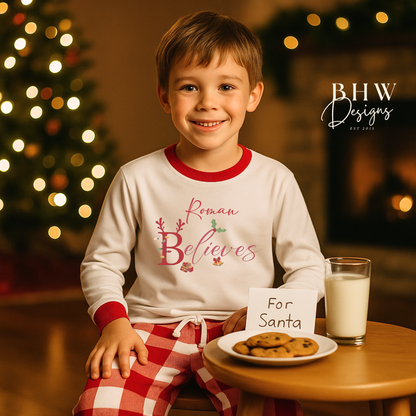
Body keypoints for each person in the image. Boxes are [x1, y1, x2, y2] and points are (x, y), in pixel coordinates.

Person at [73, 10, 324, 416]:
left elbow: (310, 268)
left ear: (253, 96)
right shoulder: (136, 178)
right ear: (164, 96)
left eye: (226, 86)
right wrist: (114, 323)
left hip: (240, 331)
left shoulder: (275, 180)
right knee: (100, 408)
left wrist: (267, 315)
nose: (208, 102)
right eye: (190, 87)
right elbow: (101, 263)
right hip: (147, 331)